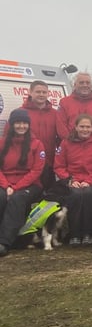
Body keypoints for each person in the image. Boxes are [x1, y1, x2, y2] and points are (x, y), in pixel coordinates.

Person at [54, 113, 92, 246]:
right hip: (71, 182)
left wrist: (90, 181)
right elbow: (59, 165)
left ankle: (89, 234)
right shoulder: (66, 142)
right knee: (76, 194)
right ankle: (74, 234)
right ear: (76, 127)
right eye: (82, 126)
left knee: (88, 194)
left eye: (88, 127)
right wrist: (70, 180)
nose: (85, 129)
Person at [0, 109, 46, 257]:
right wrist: (6, 185)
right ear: (12, 125)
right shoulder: (1, 143)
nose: (21, 126)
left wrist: (16, 187)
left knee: (17, 199)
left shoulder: (37, 144)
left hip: (30, 185)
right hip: (5, 183)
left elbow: (36, 171)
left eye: (24, 123)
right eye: (18, 123)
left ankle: (4, 242)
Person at [22, 80, 58, 187]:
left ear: (48, 94)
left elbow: (62, 138)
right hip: (27, 165)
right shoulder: (20, 113)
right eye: (38, 92)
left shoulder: (55, 114)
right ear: (30, 92)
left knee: (48, 199)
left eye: (44, 92)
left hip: (49, 164)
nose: (41, 95)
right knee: (28, 197)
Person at [56, 72, 92, 139]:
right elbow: (61, 125)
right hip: (71, 144)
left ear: (91, 85)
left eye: (88, 83)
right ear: (75, 85)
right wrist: (70, 140)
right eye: (81, 82)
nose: (85, 85)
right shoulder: (64, 102)